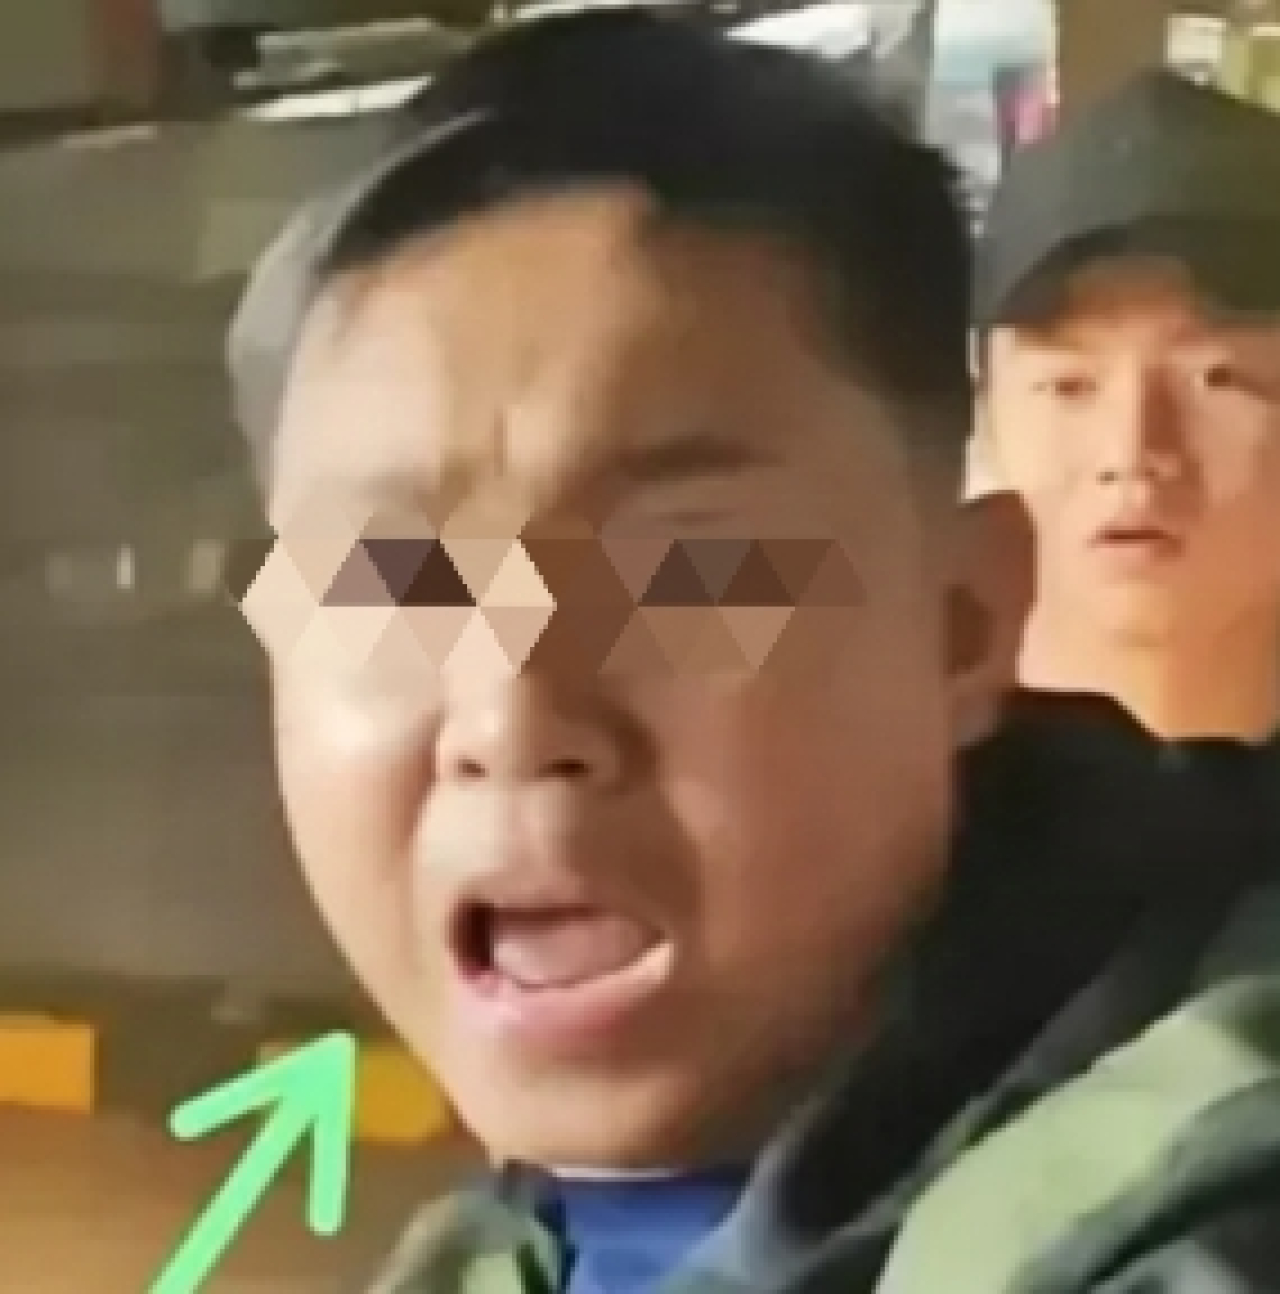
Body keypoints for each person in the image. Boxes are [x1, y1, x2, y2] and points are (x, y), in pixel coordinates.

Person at [228, 15, 1280, 1293]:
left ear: (961, 619)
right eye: (388, 580)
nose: (509, 713)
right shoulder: (516, 1243)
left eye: (687, 568)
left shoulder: (1208, 1198)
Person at [976, 69, 1280, 742]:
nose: (1132, 452)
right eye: (1069, 385)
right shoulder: (881, 677)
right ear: (987, 411)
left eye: (1217, 378)